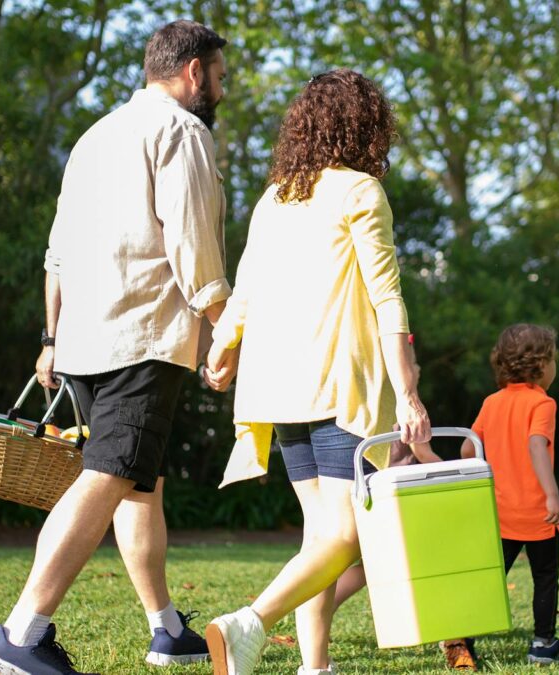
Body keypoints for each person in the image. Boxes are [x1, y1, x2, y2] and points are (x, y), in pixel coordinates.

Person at [0, 20, 235, 675]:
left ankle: (165, 628)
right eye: (219, 76)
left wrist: (51, 337)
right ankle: (22, 633)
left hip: (87, 340)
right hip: (141, 337)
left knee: (138, 485)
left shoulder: (93, 137)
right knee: (109, 475)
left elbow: (57, 252)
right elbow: (193, 244)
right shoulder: (181, 131)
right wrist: (225, 328)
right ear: (194, 72)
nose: (221, 89)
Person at [200, 69, 432, 675]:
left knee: (319, 537)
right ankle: (249, 623)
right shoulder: (361, 191)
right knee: (346, 536)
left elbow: (245, 286)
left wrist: (222, 347)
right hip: (336, 383)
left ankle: (316, 667)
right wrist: (408, 393)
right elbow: (388, 299)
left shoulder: (276, 196)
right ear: (365, 127)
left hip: (277, 388)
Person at [453, 323, 559, 666]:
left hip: (499, 512)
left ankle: (464, 640)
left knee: (491, 577)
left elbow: (467, 449)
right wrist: (552, 495)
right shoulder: (543, 403)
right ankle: (543, 644)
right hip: (537, 512)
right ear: (541, 364)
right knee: (545, 578)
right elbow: (536, 444)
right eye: (553, 359)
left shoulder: (491, 402)